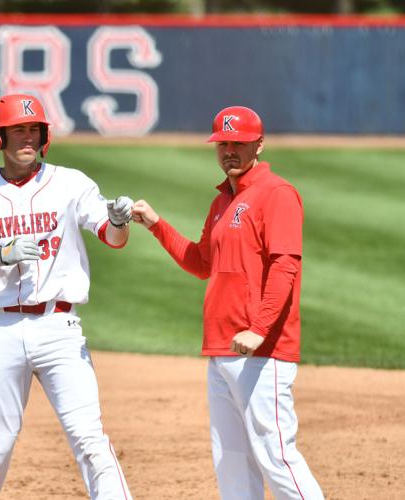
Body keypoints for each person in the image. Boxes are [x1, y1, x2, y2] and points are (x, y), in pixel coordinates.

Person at [131, 106, 324, 499]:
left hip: (262, 351)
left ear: (259, 144)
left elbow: (285, 266)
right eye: (223, 143)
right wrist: (156, 224)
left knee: (277, 457)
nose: (229, 151)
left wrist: (259, 329)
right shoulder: (222, 201)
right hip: (221, 348)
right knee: (231, 462)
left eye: (239, 143)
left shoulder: (277, 194)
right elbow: (202, 263)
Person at [0, 93, 133, 500]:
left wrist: (119, 222)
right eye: (19, 130)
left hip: (59, 328)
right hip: (1, 330)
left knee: (90, 439)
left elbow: (112, 237)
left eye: (35, 129)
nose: (28, 138)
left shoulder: (71, 183)